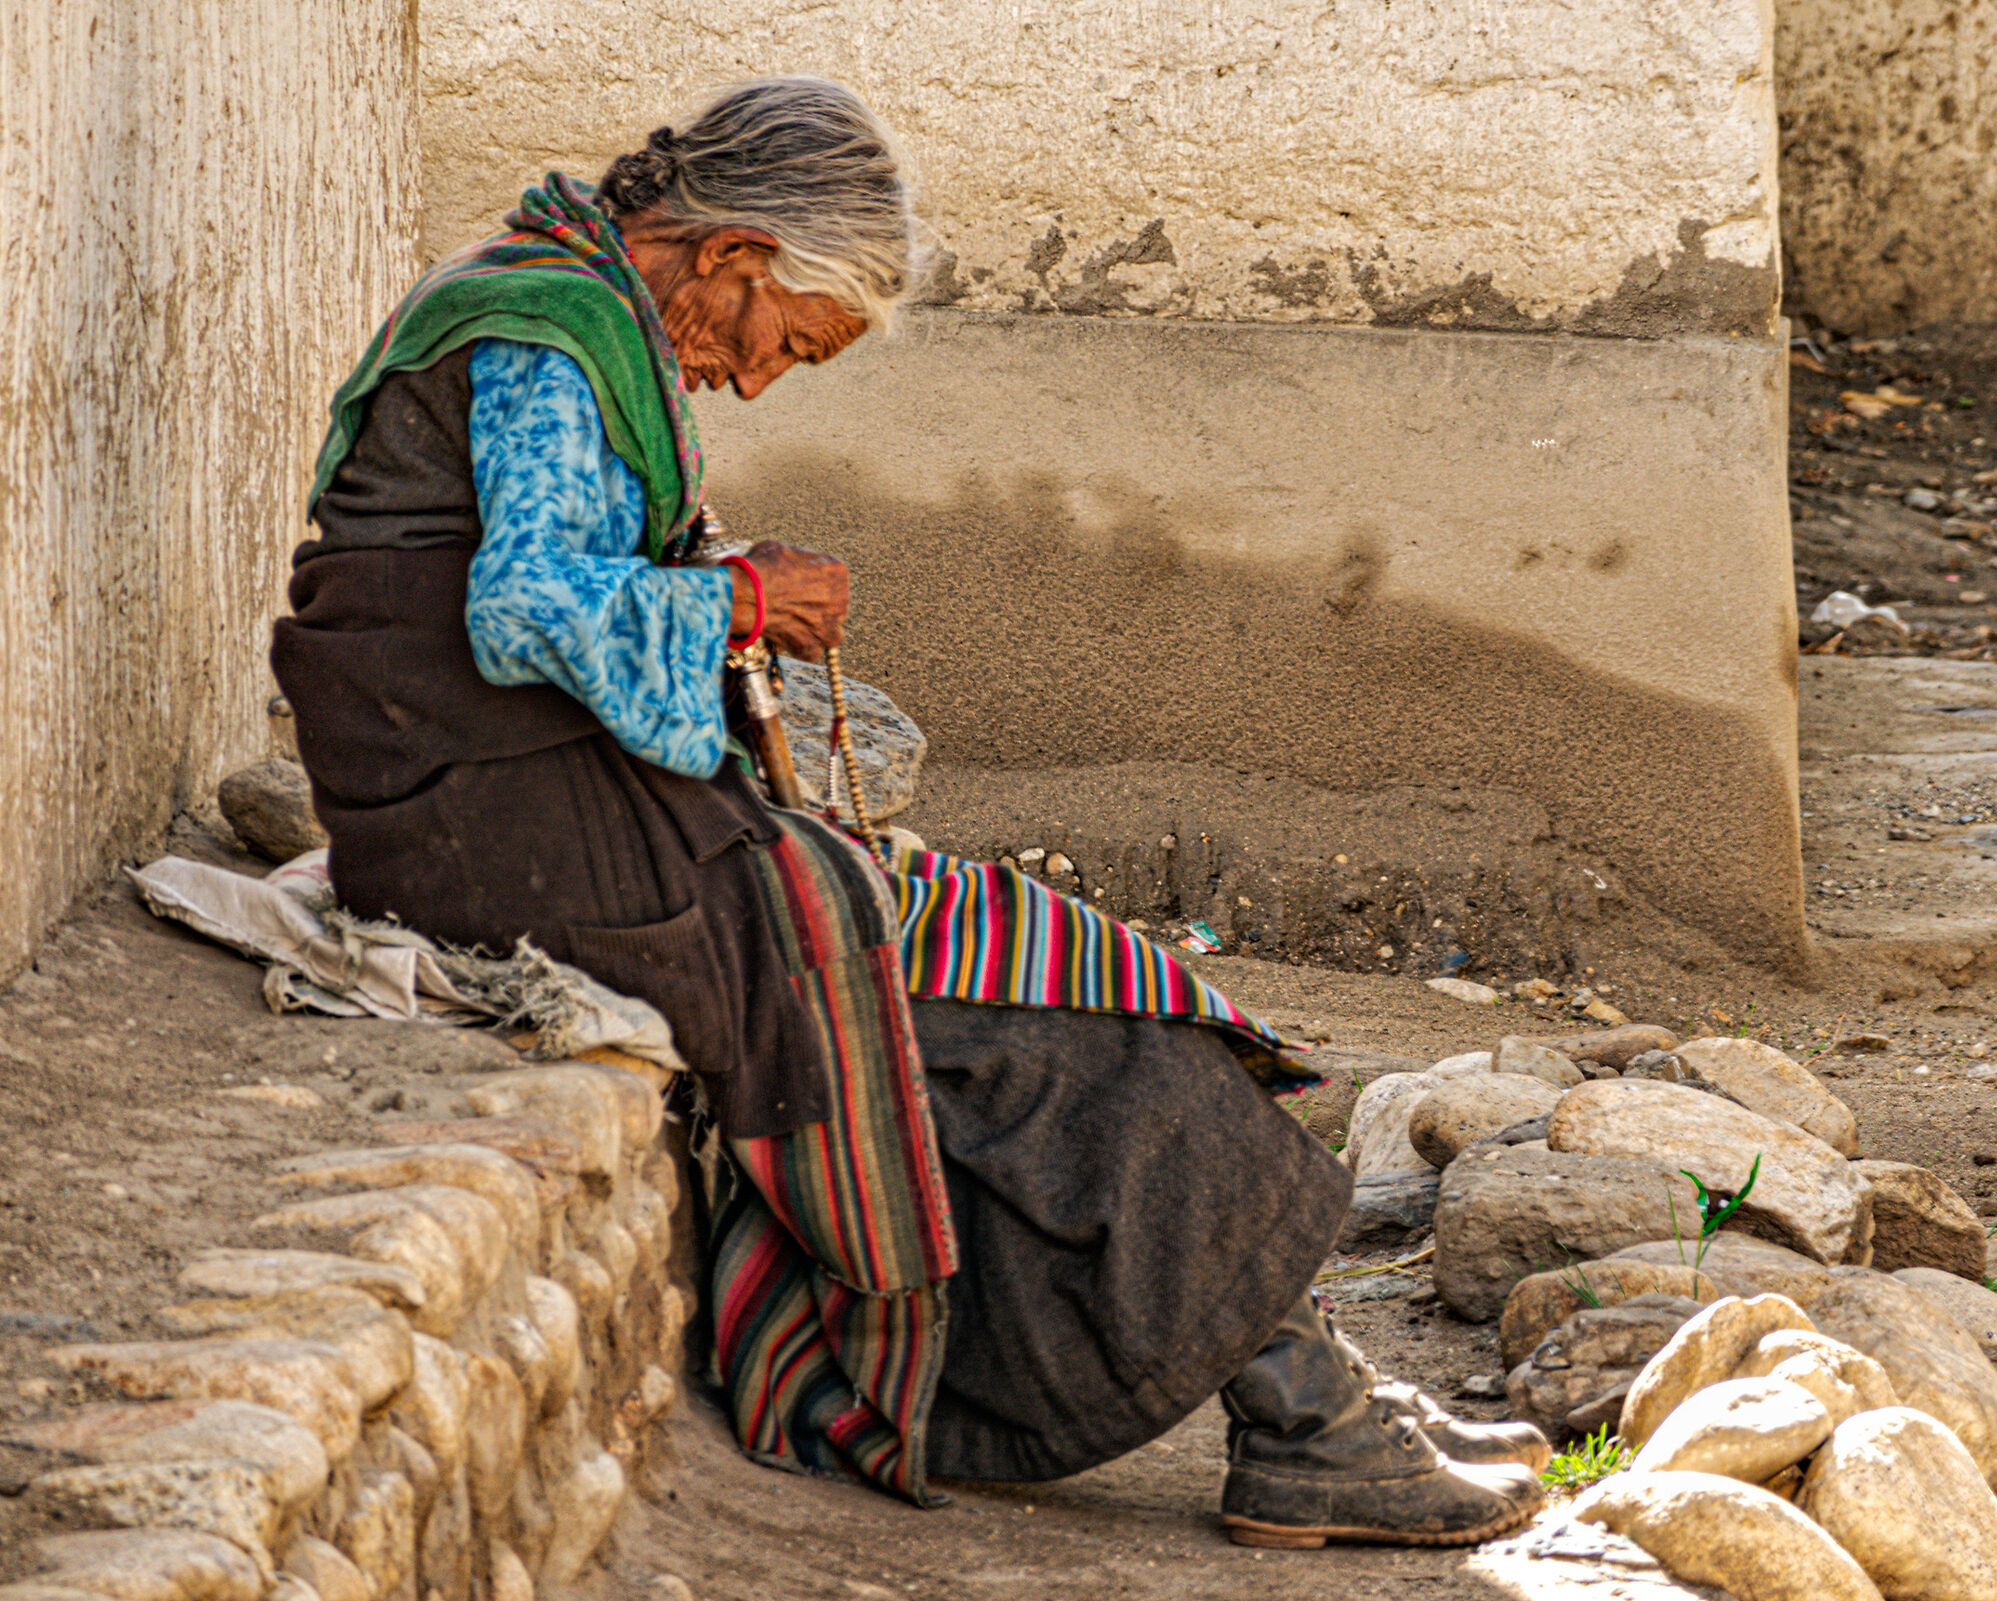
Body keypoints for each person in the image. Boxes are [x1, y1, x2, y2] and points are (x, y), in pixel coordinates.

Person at [272, 76, 1547, 1548]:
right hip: (488, 818)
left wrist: (720, 593)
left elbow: (542, 580)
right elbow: (527, 608)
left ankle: (1315, 1381)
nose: (758, 382)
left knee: (1040, 952)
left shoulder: (571, 306)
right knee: (961, 1002)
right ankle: (1305, 1414)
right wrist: (740, 594)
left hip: (514, 790)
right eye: (787, 343)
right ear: (734, 256)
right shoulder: (550, 335)